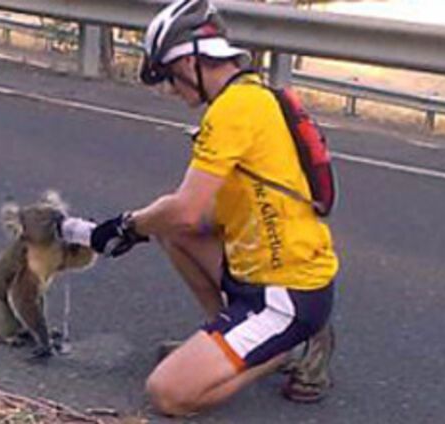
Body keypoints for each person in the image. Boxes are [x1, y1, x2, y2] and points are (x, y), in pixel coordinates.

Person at [60, 0, 338, 416]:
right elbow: (187, 218)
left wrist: (125, 225)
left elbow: (187, 209)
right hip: (260, 271)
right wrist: (136, 227)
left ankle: (274, 353)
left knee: (168, 393)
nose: (173, 91)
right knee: (172, 229)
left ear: (190, 62)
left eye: (171, 78)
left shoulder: (234, 110)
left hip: (286, 293)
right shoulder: (248, 97)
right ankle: (228, 337)